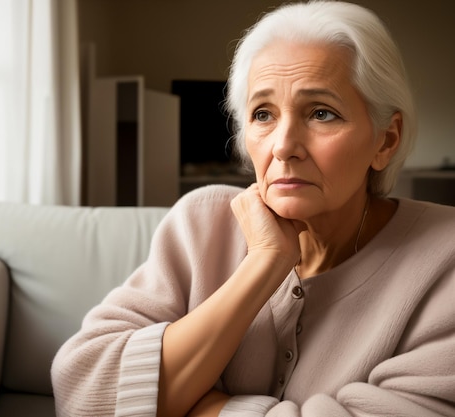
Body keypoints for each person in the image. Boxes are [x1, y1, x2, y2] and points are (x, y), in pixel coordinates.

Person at [51, 1, 455, 416]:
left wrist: (200, 406)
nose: (283, 146)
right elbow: (83, 394)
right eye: (263, 114)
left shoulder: (446, 260)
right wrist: (264, 263)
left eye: (321, 113)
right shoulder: (201, 223)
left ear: (385, 141)